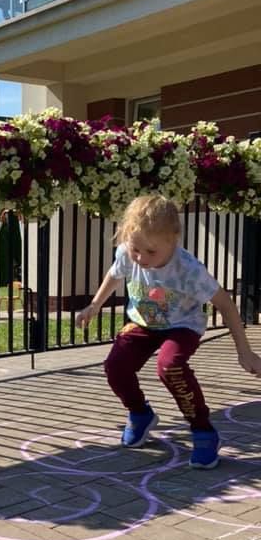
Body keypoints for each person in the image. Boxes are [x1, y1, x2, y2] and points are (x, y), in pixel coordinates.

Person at [76, 194, 261, 469]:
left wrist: (244, 351)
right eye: (136, 249)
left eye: (151, 252)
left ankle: (203, 430)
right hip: (143, 323)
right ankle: (140, 414)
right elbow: (114, 275)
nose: (141, 258)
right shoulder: (128, 253)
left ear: (173, 240)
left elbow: (226, 304)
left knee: (169, 366)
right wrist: (94, 305)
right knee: (115, 366)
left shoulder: (188, 269)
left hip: (182, 325)